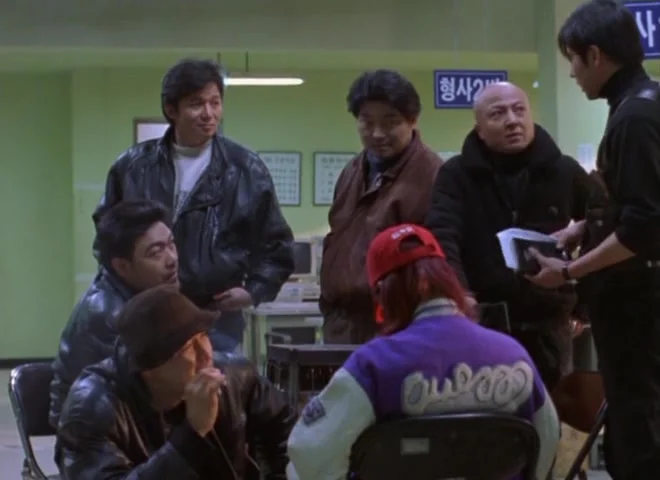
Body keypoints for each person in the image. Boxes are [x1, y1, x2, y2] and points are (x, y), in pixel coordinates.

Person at [287, 224, 560, 480]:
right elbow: (546, 445)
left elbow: (309, 454)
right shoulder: (515, 355)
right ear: (448, 280)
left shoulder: (372, 365)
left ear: (382, 294)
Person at [527, 1, 660, 477]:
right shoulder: (641, 105)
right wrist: (584, 227)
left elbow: (644, 228)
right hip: (636, 302)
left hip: (638, 304)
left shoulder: (635, 117)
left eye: (573, 60)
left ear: (596, 55)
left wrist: (567, 271)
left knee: (638, 427)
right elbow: (636, 202)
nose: (572, 74)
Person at [93, 58, 294, 353]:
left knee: (211, 380)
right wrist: (120, 294)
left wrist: (253, 291)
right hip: (144, 313)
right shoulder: (133, 166)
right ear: (171, 109)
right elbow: (108, 240)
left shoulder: (245, 169)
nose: (208, 114)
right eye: (196, 104)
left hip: (215, 317)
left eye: (215, 103)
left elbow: (277, 246)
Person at [424, 81, 595, 393]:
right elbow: (442, 234)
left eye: (519, 110)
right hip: (482, 320)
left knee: (553, 412)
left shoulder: (564, 170)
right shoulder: (456, 175)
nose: (512, 120)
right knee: (487, 410)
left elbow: (603, 223)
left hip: (550, 322)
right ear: (479, 129)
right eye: (498, 114)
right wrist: (459, 294)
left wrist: (582, 300)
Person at [57, 284, 296, 480]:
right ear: (150, 369)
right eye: (187, 348)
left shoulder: (236, 376)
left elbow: (288, 439)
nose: (206, 354)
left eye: (204, 336)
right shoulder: (90, 409)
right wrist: (192, 435)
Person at [320, 69, 443, 345]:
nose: (377, 134)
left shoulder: (433, 175)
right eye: (366, 122)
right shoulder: (353, 170)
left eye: (390, 122)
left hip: (398, 326)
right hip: (342, 324)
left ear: (412, 120)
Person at [49, 199, 178, 430]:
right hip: (88, 432)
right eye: (156, 252)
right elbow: (148, 392)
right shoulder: (107, 314)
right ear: (122, 267)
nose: (172, 259)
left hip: (128, 418)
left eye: (171, 244)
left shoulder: (148, 293)